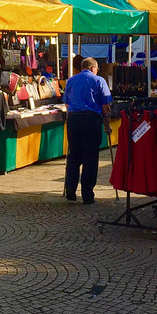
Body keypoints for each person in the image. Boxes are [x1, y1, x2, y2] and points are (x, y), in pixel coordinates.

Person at [62, 57, 112, 205]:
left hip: (74, 120)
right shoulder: (99, 81)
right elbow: (106, 107)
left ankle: (70, 189)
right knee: (90, 157)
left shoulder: (71, 80)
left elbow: (66, 102)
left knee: (74, 155)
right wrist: (107, 125)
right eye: (97, 69)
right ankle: (87, 195)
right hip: (91, 120)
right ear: (93, 68)